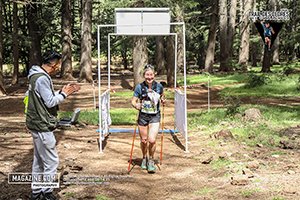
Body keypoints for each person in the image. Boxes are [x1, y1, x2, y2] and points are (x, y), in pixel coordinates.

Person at [26, 50, 79, 200]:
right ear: (54, 64)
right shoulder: (42, 78)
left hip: (35, 123)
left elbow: (42, 97)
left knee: (39, 160)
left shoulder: (35, 75)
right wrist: (65, 94)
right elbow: (49, 102)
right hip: (42, 125)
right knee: (51, 160)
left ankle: (36, 192)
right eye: (59, 64)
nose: (59, 68)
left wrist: (60, 91)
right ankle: (46, 193)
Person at [131, 64, 165, 173]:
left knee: (152, 140)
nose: (149, 77)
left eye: (151, 75)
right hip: (143, 116)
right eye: (147, 75)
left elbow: (162, 96)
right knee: (144, 140)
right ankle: (144, 157)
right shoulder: (139, 87)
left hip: (155, 116)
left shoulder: (159, 86)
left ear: (154, 75)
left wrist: (163, 100)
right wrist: (136, 105)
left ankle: (151, 159)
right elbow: (133, 101)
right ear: (144, 75)